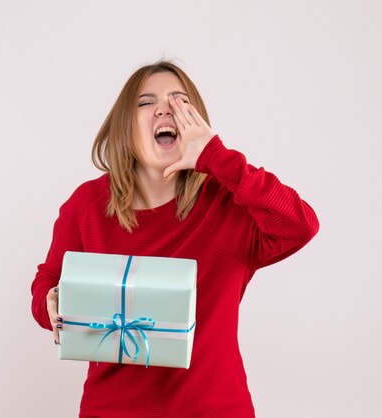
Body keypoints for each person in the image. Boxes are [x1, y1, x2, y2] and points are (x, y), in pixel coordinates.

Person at [31, 60, 319, 417]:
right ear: (125, 125)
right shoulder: (86, 207)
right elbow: (49, 280)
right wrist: (49, 302)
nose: (165, 108)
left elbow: (300, 225)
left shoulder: (229, 206)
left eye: (180, 101)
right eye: (146, 102)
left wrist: (218, 158)